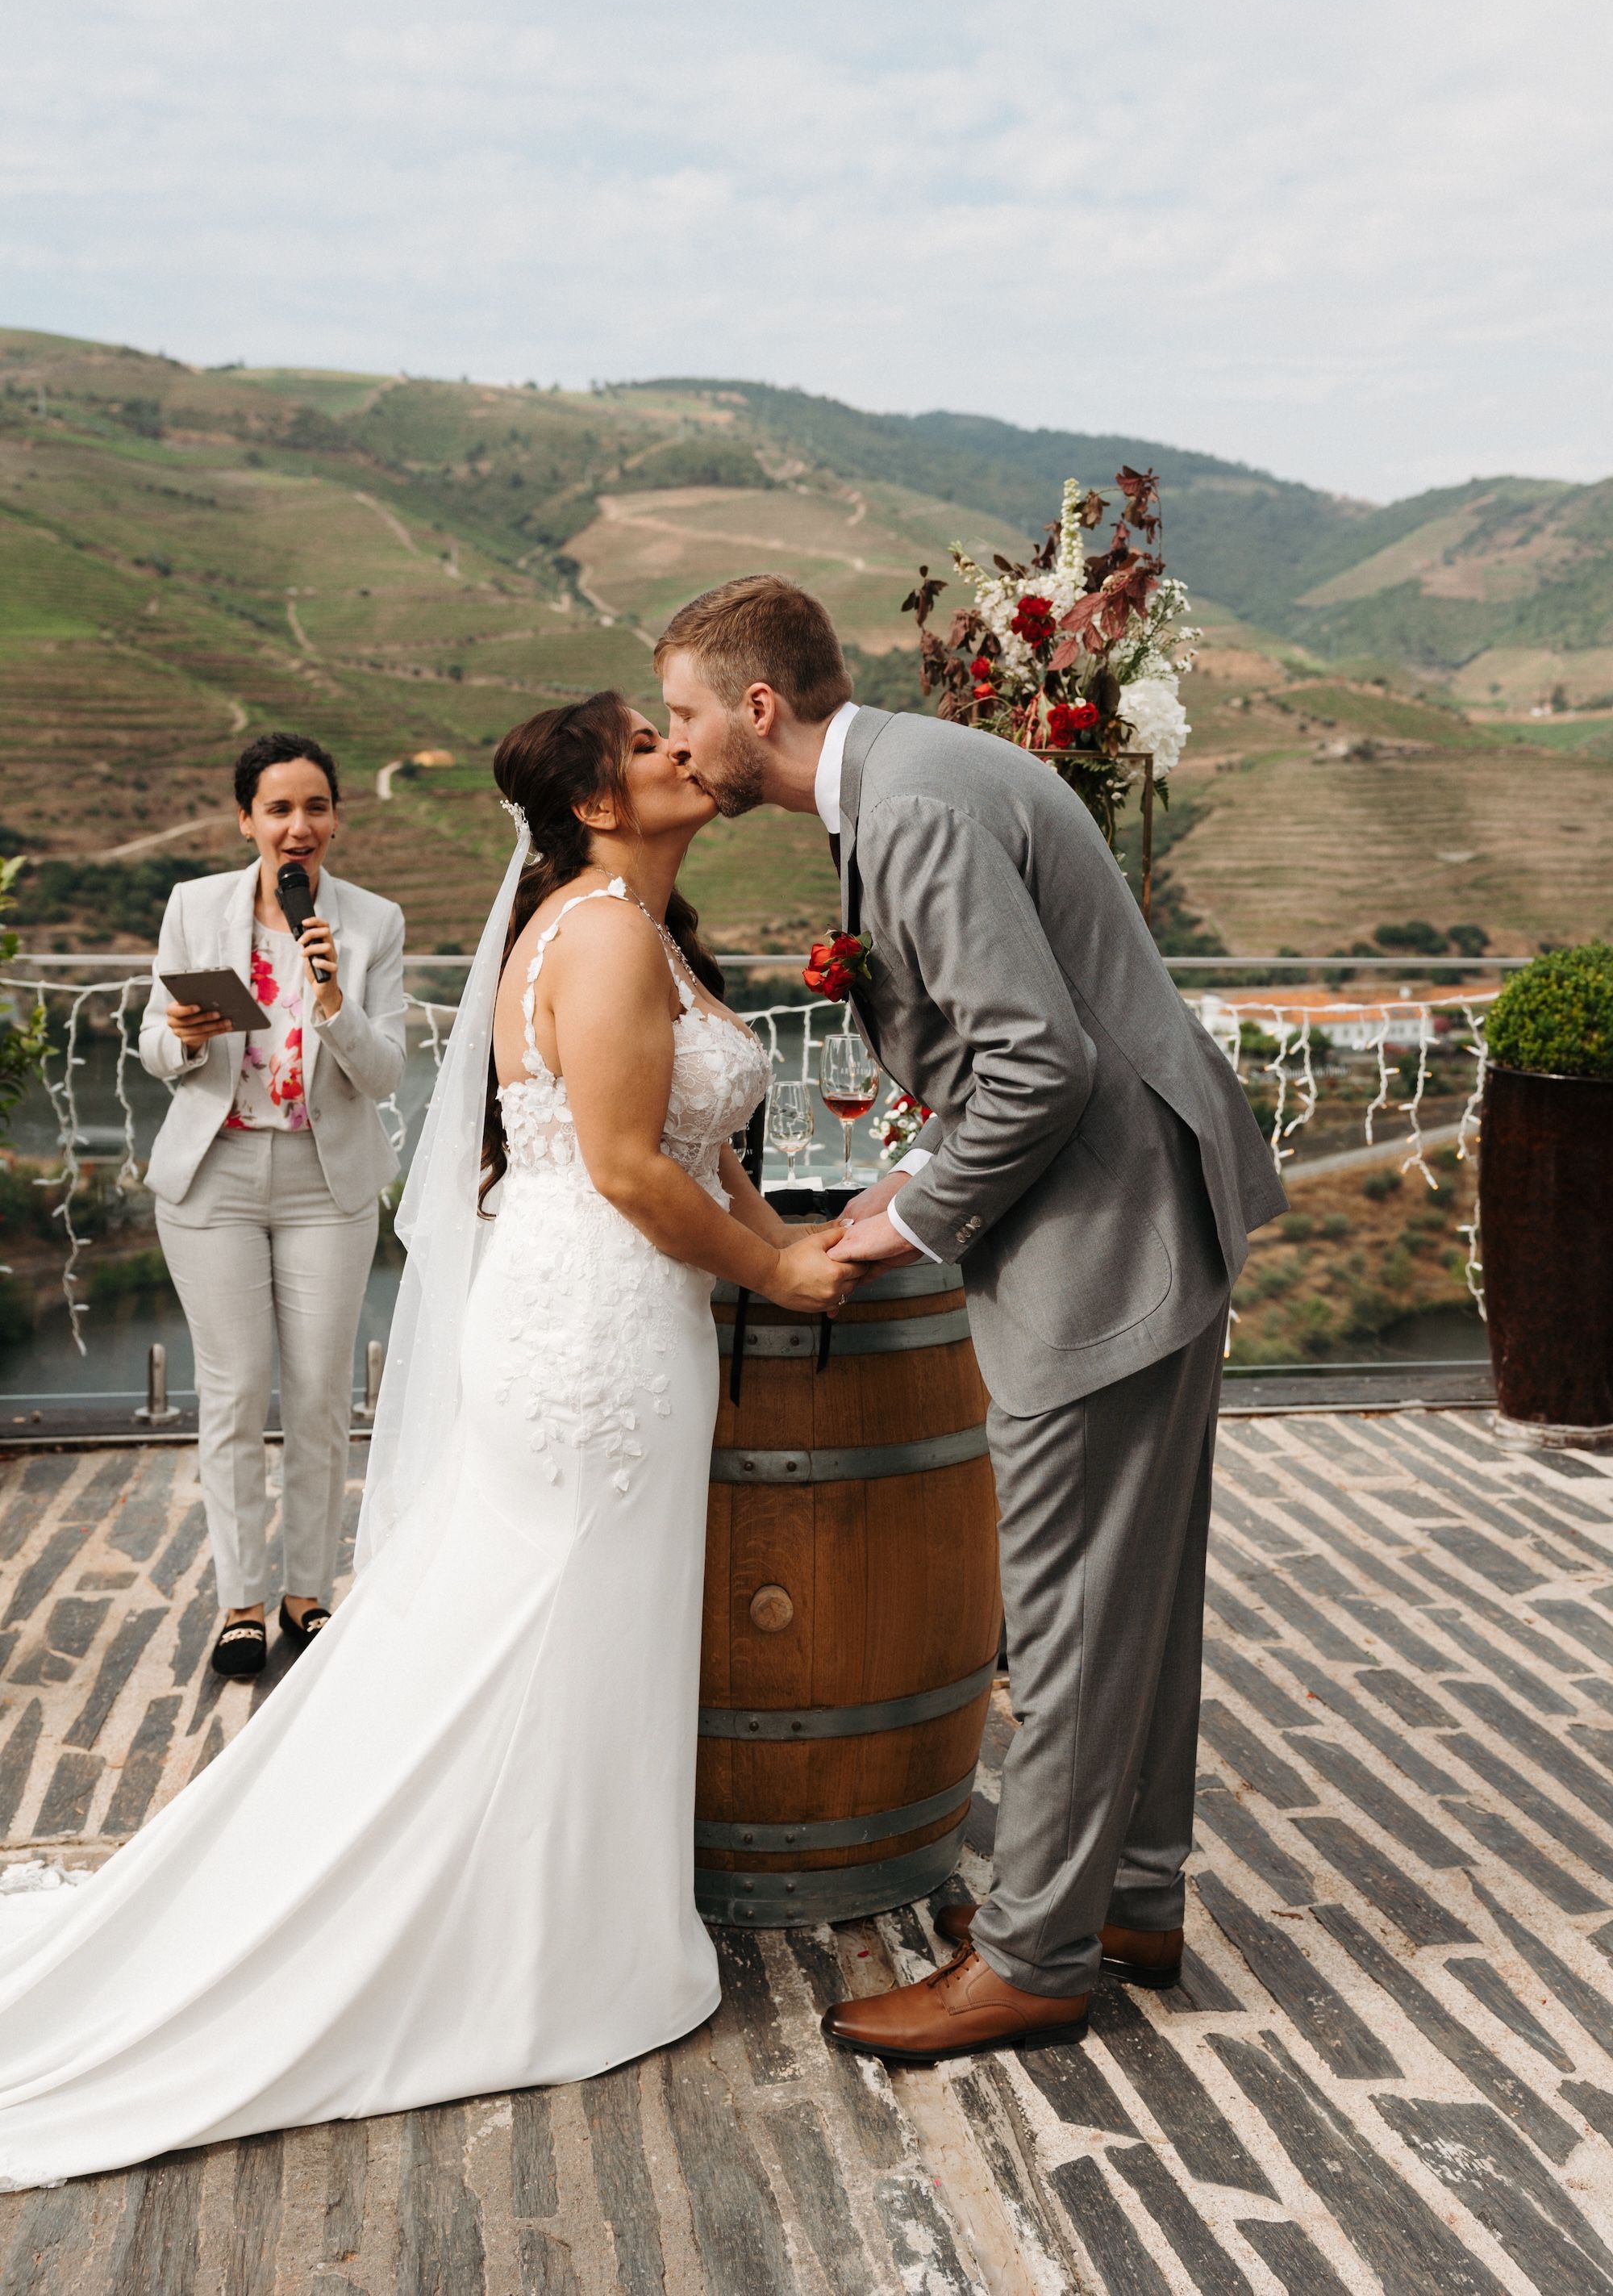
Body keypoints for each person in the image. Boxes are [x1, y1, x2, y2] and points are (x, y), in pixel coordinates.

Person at [0, 694, 857, 2190]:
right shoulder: (594, 935)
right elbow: (623, 1166)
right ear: (596, 800)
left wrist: (794, 1223)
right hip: (593, 1327)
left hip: (607, 1318)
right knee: (556, 1618)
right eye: (654, 744)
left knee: (552, 1621)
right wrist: (775, 1270)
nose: (683, 753)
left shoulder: (629, 928)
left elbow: (695, 1136)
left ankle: (563, 1910)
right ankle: (542, 1950)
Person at [660, 574, 1287, 2062]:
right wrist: (923, 1177)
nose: (676, 748)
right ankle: (1125, 1897)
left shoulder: (917, 810)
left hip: (1105, 1236)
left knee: (1065, 1612)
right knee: (1139, 1591)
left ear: (760, 707)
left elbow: (1038, 1065)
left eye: (686, 715)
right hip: (1141, 1205)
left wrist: (919, 1213)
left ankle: (1033, 1961)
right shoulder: (917, 776)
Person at [139, 731, 406, 1679]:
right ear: (246, 819)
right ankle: (242, 1603)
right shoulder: (193, 906)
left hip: (324, 1185)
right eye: (279, 809)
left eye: (316, 807)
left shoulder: (373, 922)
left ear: (335, 817)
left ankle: (308, 1594)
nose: (300, 827)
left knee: (324, 1396)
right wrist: (177, 1031)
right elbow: (156, 1053)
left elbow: (383, 1074)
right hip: (213, 1179)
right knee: (236, 1389)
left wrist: (332, 997)